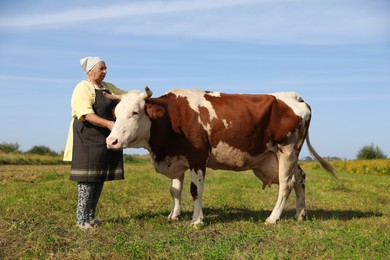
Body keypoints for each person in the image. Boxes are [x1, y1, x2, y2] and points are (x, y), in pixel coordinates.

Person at [64, 56, 126, 229]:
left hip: (104, 138)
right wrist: (110, 124)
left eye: (106, 68)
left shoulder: (108, 87)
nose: (105, 72)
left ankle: (90, 217)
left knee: (99, 178)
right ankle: (80, 220)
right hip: (88, 137)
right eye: (102, 69)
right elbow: (86, 114)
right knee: (87, 180)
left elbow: (125, 96)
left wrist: (139, 96)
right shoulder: (83, 87)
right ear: (90, 71)